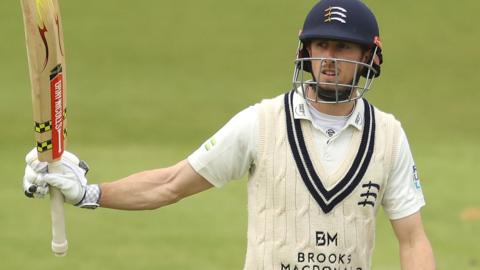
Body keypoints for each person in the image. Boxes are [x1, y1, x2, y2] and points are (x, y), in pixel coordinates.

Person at [23, 0, 436, 269]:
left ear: (369, 58)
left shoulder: (389, 136)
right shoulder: (261, 123)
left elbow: (413, 240)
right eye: (321, 45)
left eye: (343, 48)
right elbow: (170, 185)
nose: (328, 59)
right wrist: (91, 193)